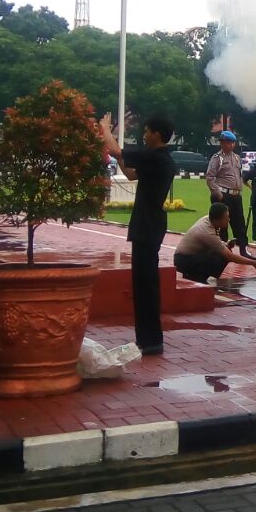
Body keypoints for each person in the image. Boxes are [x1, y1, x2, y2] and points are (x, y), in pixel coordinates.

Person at [101, 113, 178, 355]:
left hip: (148, 226)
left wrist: (105, 129)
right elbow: (131, 174)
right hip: (150, 224)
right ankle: (146, 338)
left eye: (146, 131)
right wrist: (120, 154)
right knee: (144, 284)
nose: (144, 136)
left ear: (157, 134)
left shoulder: (156, 158)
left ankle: (151, 340)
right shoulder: (159, 160)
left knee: (146, 285)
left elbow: (115, 151)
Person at [173, 202, 256, 284]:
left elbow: (213, 243)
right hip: (184, 260)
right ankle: (198, 278)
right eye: (226, 217)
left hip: (188, 256)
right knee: (222, 257)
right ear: (217, 220)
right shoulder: (207, 231)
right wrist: (254, 263)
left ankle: (195, 276)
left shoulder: (208, 220)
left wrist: (225, 244)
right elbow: (230, 257)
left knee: (223, 251)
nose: (229, 219)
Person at [205, 130, 251, 258]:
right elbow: (210, 177)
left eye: (232, 143)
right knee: (221, 224)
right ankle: (221, 249)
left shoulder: (236, 157)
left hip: (236, 195)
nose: (230, 145)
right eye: (228, 142)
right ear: (222, 143)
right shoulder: (217, 158)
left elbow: (239, 175)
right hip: (223, 194)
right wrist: (217, 192)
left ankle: (244, 248)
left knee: (239, 223)